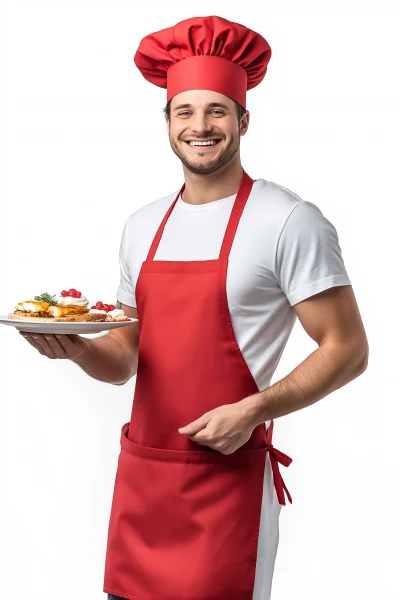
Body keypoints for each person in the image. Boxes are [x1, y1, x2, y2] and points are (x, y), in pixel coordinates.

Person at [20, 15, 369, 600]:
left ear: (243, 119)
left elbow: (349, 348)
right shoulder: (141, 225)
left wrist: (254, 410)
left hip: (225, 485)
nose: (200, 126)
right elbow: (126, 358)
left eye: (216, 110)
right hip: (144, 482)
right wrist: (78, 350)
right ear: (167, 122)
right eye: (185, 111)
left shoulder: (288, 220)